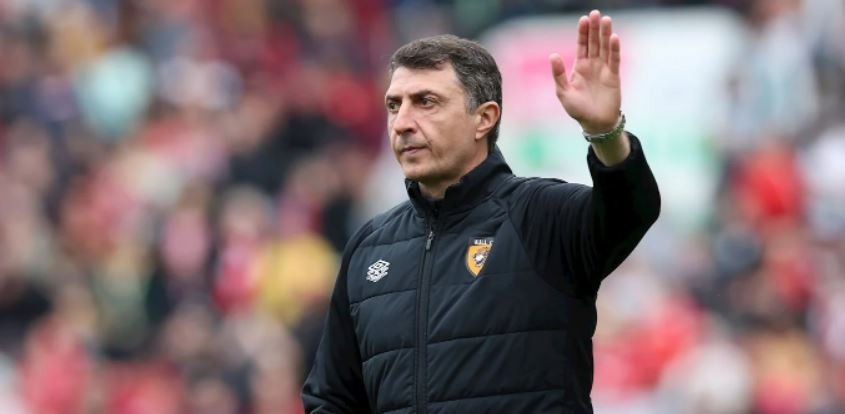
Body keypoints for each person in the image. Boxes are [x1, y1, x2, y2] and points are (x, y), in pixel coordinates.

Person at [302, 9, 660, 413]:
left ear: (484, 119)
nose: (402, 123)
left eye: (425, 102)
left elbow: (631, 208)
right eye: (394, 105)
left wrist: (605, 133)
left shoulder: (539, 216)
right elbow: (331, 398)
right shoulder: (370, 248)